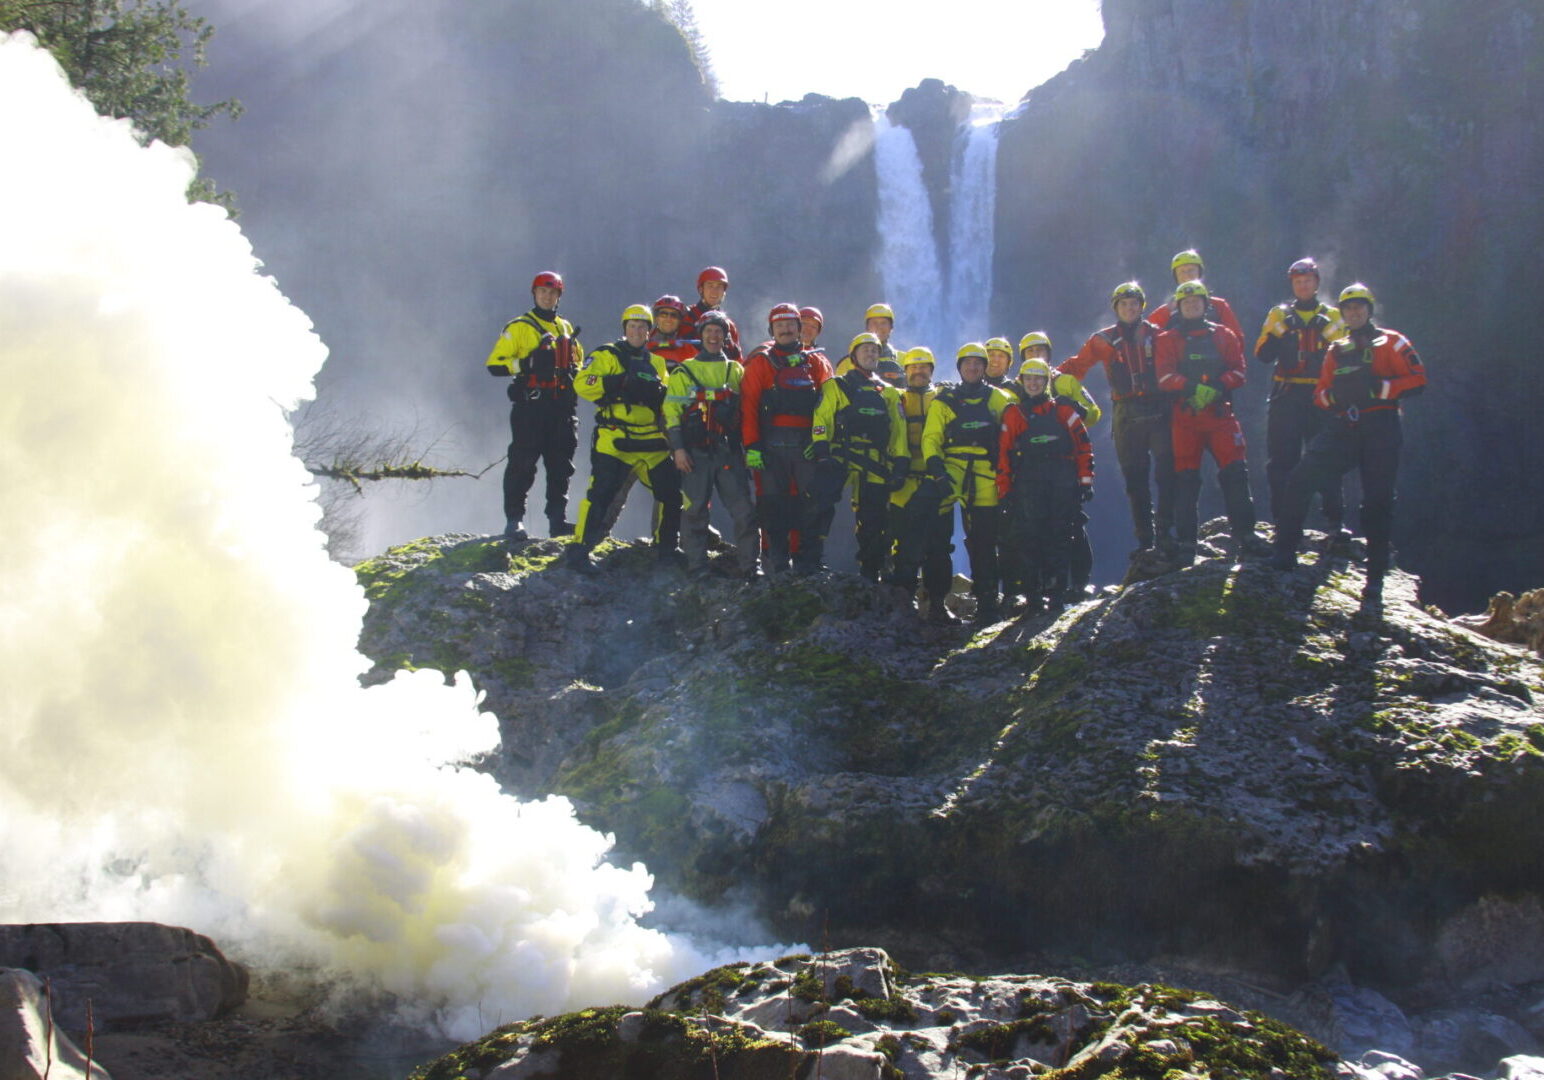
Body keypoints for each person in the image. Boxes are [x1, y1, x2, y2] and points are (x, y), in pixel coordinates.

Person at [1271, 283, 1426, 610]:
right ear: (1342, 314)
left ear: (1369, 310)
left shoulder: (1392, 342)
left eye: (1360, 307)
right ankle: (1284, 551)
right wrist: (1337, 397)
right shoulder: (1336, 350)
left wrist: (1379, 389)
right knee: (1301, 479)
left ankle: (1374, 580)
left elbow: (1417, 379)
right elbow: (1320, 393)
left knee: (1377, 503)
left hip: (1381, 428)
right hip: (1344, 426)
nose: (1354, 313)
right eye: (1349, 309)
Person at [1155, 280, 1269, 563]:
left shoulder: (1224, 335)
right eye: (1186, 302)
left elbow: (1240, 371)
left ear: (1207, 304)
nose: (1192, 306)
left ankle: (1246, 535)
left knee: (1235, 474)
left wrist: (1218, 386)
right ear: (1179, 307)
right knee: (1186, 481)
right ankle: (1186, 545)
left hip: (1220, 416)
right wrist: (1192, 388)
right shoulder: (1167, 339)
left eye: (1197, 301)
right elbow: (1164, 377)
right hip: (1186, 418)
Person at [1057, 282, 1174, 555]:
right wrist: (1044, 378)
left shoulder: (1159, 336)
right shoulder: (1104, 340)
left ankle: (1166, 533)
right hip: (1126, 412)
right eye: (1124, 304)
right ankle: (1146, 538)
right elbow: (1078, 365)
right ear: (1116, 308)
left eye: (1134, 304)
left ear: (1142, 307)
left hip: (1158, 409)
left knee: (1167, 473)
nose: (1129, 308)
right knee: (1135, 477)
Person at [564, 304, 682, 571]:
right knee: (601, 493)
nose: (637, 331)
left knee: (672, 494)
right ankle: (580, 550)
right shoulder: (607, 355)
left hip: (652, 442)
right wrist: (619, 383)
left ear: (650, 331)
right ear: (624, 328)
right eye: (632, 326)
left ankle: (667, 549)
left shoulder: (657, 362)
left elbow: (667, 402)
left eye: (643, 327)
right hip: (615, 438)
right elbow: (582, 383)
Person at [485, 270, 582, 540]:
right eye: (543, 292)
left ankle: (557, 521)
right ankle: (514, 520)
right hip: (532, 406)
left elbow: (578, 364)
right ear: (534, 294)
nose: (547, 297)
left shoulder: (566, 327)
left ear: (558, 296)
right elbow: (494, 365)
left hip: (561, 407)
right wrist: (527, 364)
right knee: (522, 463)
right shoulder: (519, 327)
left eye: (552, 293)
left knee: (561, 466)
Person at [923, 342, 1015, 625]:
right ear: (959, 367)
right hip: (950, 474)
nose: (973, 368)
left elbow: (1013, 432)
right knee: (937, 540)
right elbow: (931, 438)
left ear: (985, 368)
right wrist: (936, 470)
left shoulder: (999, 399)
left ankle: (987, 604)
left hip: (985, 475)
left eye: (978, 363)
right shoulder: (944, 400)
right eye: (967, 363)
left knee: (984, 542)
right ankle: (937, 603)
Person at [1255, 257, 1346, 539]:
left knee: (1326, 458)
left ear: (1317, 283)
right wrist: (1282, 334)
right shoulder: (1279, 315)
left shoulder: (1332, 316)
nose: (1303, 286)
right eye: (1298, 282)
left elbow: (1344, 352)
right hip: (1288, 393)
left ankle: (1334, 522)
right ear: (1292, 285)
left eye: (1308, 281)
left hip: (1321, 396)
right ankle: (1283, 522)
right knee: (1282, 460)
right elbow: (1263, 354)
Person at [664, 310, 758, 577]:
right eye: (709, 331)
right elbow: (672, 413)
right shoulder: (685, 371)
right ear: (700, 335)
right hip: (695, 454)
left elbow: (749, 411)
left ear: (726, 337)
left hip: (728, 451)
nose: (714, 336)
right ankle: (697, 566)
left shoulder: (735, 370)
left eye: (719, 332)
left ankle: (751, 567)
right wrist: (678, 449)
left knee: (744, 510)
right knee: (694, 511)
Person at [741, 302, 833, 572]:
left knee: (812, 503)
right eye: (779, 325)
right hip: (770, 446)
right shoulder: (761, 363)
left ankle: (809, 561)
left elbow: (829, 407)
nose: (785, 330)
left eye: (790, 325)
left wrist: (820, 443)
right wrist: (752, 446)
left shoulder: (817, 362)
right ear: (772, 329)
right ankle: (776, 561)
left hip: (807, 444)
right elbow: (749, 406)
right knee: (772, 504)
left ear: (798, 327)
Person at [997, 357, 1094, 612]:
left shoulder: (1065, 411)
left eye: (1038, 379)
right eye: (1028, 379)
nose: (1033, 383)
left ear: (1047, 381)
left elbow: (1084, 447)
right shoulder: (1014, 413)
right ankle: (1033, 595)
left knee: (1059, 536)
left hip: (1062, 482)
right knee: (1030, 538)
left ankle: (1057, 594)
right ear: (1021, 381)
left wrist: (1085, 482)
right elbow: (1004, 454)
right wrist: (1004, 490)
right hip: (1029, 482)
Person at [809, 332, 909, 580]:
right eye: (865, 349)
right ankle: (810, 560)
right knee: (821, 504)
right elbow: (822, 418)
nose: (870, 353)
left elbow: (898, 431)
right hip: (840, 455)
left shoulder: (890, 393)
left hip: (875, 461)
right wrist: (821, 449)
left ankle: (871, 569)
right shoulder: (836, 385)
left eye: (874, 350)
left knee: (874, 517)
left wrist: (900, 462)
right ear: (853, 355)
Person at [1023, 330, 1100, 595]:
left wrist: (1078, 409)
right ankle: (1048, 584)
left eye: (1040, 351)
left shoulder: (1067, 382)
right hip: (1034, 471)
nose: (1036, 356)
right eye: (1031, 352)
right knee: (1041, 526)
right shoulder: (1020, 385)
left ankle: (1079, 581)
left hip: (1065, 465)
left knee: (1073, 524)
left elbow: (1094, 414)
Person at [887, 347, 956, 622]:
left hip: (937, 482)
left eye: (924, 367)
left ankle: (937, 603)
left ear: (932, 370)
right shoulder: (896, 399)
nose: (919, 372)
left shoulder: (945, 398)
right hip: (904, 484)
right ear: (905, 372)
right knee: (903, 544)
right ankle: (904, 602)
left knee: (939, 546)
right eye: (913, 368)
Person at [1149, 249, 1245, 341]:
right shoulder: (1166, 311)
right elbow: (1148, 337)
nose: (1187, 275)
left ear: (1200, 273)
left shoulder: (1219, 306)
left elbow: (1237, 339)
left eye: (1191, 270)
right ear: (1176, 277)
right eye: (1182, 271)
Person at [835, 302, 905, 387]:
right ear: (867, 327)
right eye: (874, 323)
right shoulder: (847, 363)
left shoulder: (906, 360)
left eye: (884, 323)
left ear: (891, 328)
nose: (879, 327)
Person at [680, 266, 741, 360]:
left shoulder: (729, 326)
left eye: (719, 286)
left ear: (724, 292)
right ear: (701, 289)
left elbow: (738, 360)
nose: (714, 291)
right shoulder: (686, 317)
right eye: (710, 285)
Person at [649, 294, 698, 372]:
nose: (668, 319)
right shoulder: (643, 345)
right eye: (663, 314)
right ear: (656, 318)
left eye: (674, 315)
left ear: (680, 320)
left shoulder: (688, 349)